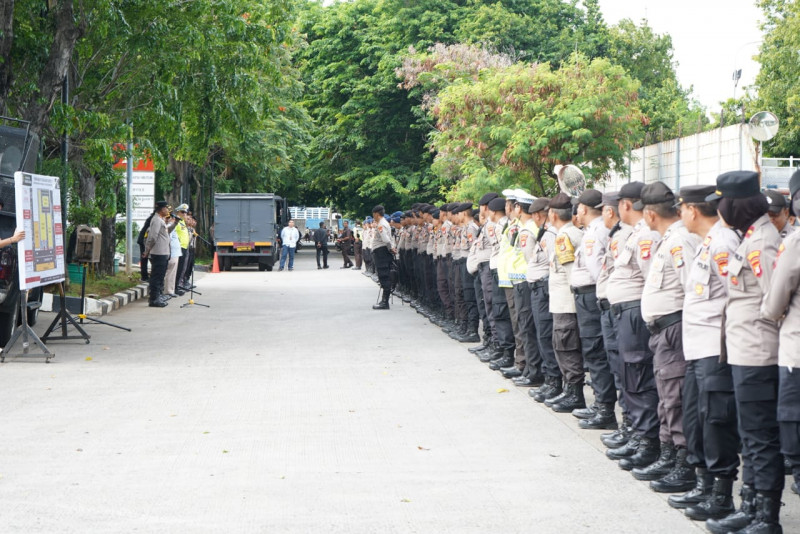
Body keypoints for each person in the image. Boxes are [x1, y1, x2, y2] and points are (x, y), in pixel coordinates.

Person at [705, 171, 783, 534]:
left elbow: (774, 300)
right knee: (750, 434)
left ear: (735, 205)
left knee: (759, 435)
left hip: (757, 351)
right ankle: (751, 505)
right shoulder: (750, 236)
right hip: (743, 349)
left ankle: (765, 516)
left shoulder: (761, 241)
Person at [670, 185, 741, 521]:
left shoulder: (724, 242)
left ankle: (722, 495)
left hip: (715, 347)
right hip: (698, 348)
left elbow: (736, 296)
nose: (679, 213)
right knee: (698, 419)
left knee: (716, 421)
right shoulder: (710, 242)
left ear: (692, 210)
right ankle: (704, 484)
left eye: (681, 208)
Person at [142, 201, 177, 307]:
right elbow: (152, 237)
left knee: (160, 275)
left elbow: (166, 232)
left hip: (163, 252)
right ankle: (154, 298)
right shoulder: (156, 220)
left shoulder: (161, 220)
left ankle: (158, 295)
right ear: (162, 209)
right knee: (156, 276)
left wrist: (175, 223)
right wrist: (147, 250)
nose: (167, 210)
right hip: (158, 252)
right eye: (166, 208)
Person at [370, 205, 396, 310]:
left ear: (376, 213)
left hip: (382, 251)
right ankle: (384, 300)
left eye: (373, 214)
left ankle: (385, 302)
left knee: (384, 276)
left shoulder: (381, 224)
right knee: (384, 275)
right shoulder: (384, 223)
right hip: (382, 251)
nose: (373, 216)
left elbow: (385, 239)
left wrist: (390, 248)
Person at [164, 213, 183, 298]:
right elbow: (168, 239)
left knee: (172, 273)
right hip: (172, 253)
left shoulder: (171, 226)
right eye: (172, 218)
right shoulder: (169, 227)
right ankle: (168, 290)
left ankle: (170, 290)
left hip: (175, 253)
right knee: (170, 272)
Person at [137, 208, 157, 282]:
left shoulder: (153, 218)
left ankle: (146, 275)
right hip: (144, 240)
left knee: (145, 258)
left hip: (145, 239)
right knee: (144, 258)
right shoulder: (153, 219)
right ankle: (144, 276)